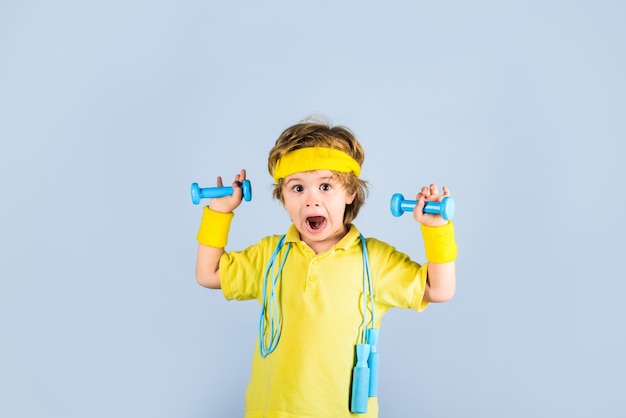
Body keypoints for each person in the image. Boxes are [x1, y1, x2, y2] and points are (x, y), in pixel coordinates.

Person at [195, 119, 457, 418]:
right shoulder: (270, 255)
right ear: (282, 197)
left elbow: (440, 289)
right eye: (297, 188)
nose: (311, 199)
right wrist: (218, 214)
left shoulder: (374, 260)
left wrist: (437, 231)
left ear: (349, 193)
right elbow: (209, 273)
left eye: (325, 186)